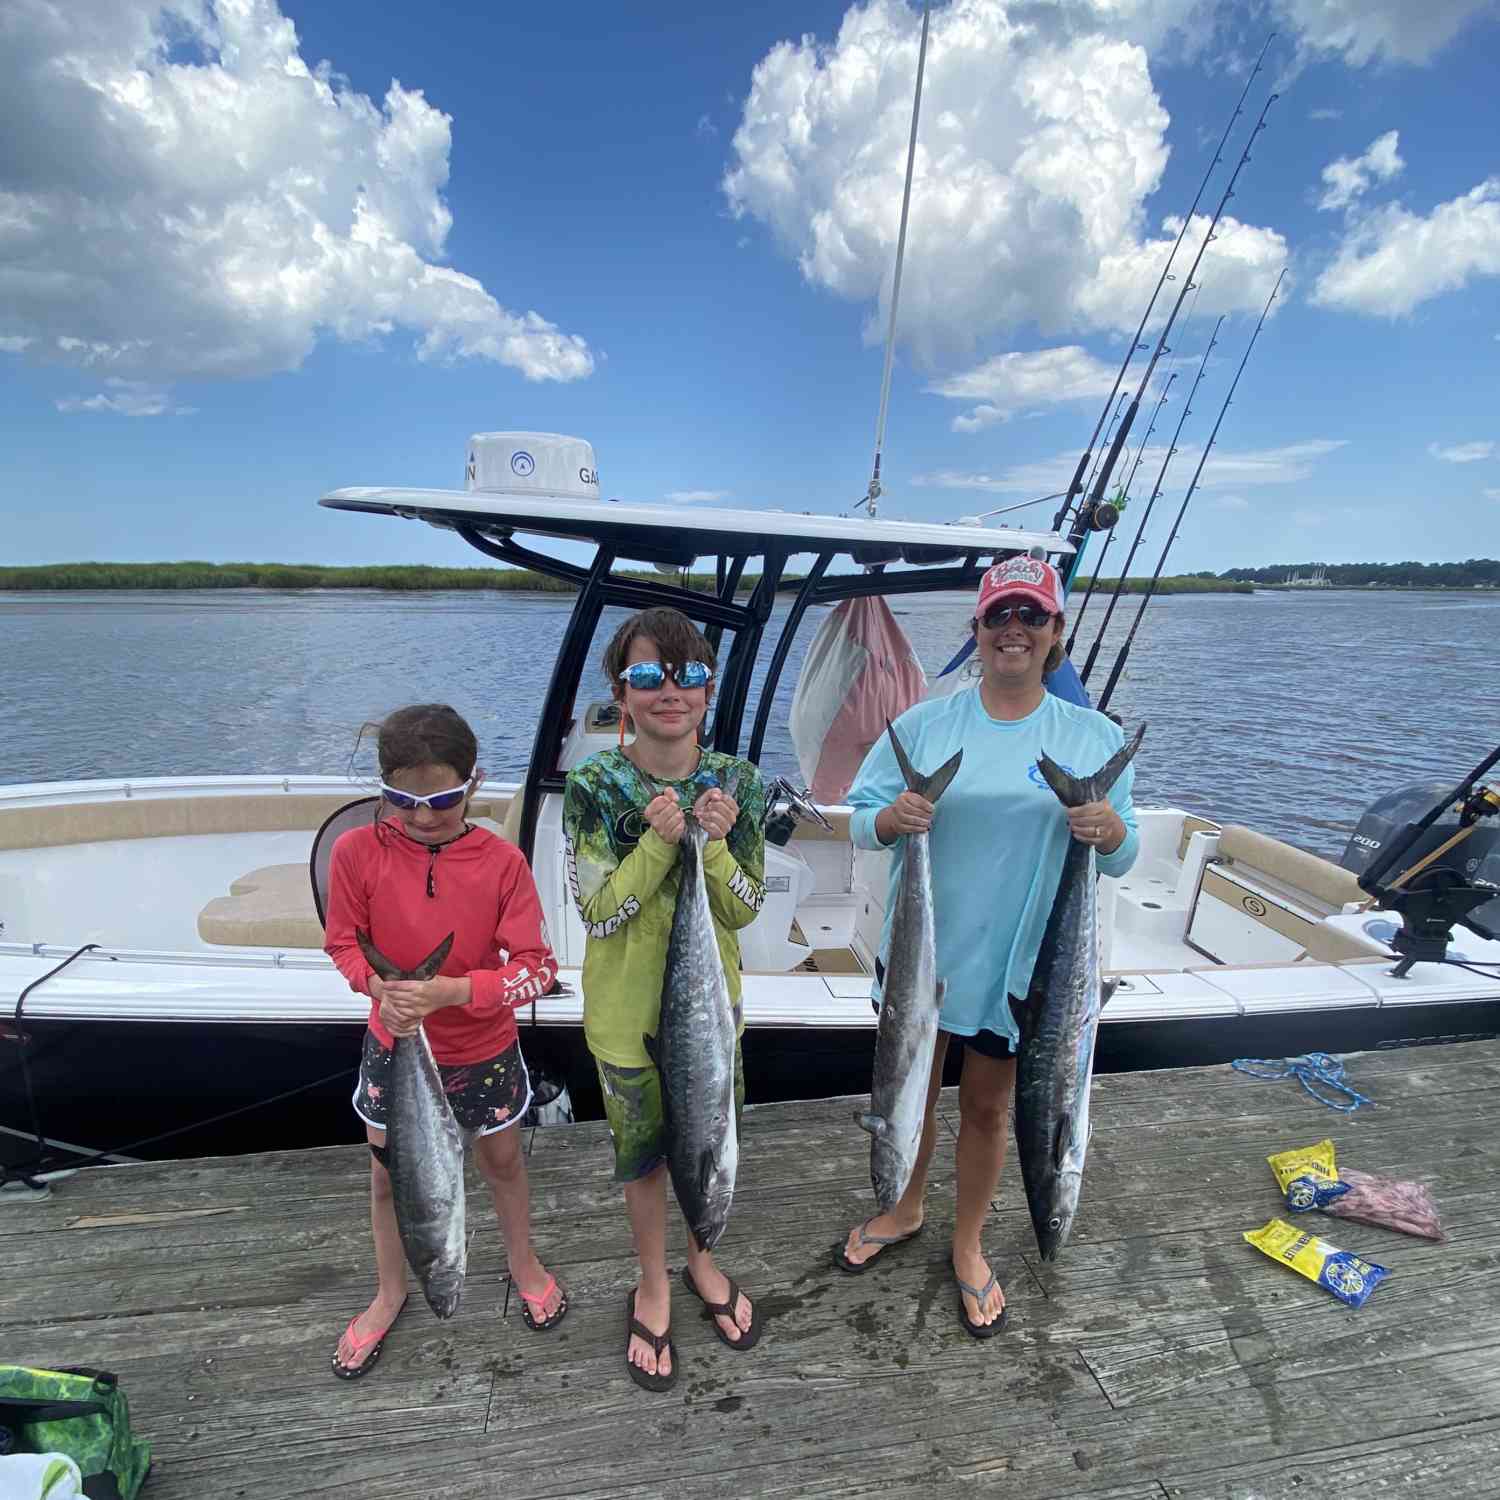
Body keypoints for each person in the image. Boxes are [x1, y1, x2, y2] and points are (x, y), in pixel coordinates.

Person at [834, 556, 1138, 1337]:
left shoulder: (1091, 735)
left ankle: (967, 1242)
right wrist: (893, 819)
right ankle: (904, 1208)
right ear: (975, 631)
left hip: (1025, 966)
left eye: (1031, 617)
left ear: (1055, 634)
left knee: (988, 1106)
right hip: (925, 957)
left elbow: (1124, 853)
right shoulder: (923, 725)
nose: (1015, 630)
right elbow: (861, 818)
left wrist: (1108, 831)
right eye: (999, 616)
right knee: (909, 1095)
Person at [323, 703, 567, 1379]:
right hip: (391, 1040)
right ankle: (390, 1290)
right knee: (384, 1180)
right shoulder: (355, 852)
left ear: (474, 782)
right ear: (383, 789)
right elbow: (341, 942)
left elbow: (537, 967)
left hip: (482, 1046)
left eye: (442, 799)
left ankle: (523, 1264)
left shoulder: (501, 861)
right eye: (403, 800)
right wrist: (379, 988)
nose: (424, 815)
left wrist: (454, 992)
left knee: (504, 1163)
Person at [563, 607, 768, 1391]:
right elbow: (598, 910)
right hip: (626, 1022)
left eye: (685, 675)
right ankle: (653, 1278)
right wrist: (659, 839)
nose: (668, 692)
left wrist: (710, 843)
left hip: (709, 1024)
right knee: (645, 1159)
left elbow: (744, 909)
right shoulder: (592, 784)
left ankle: (702, 1262)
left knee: (707, 1139)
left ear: (709, 690)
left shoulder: (738, 784)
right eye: (647, 677)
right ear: (621, 692)